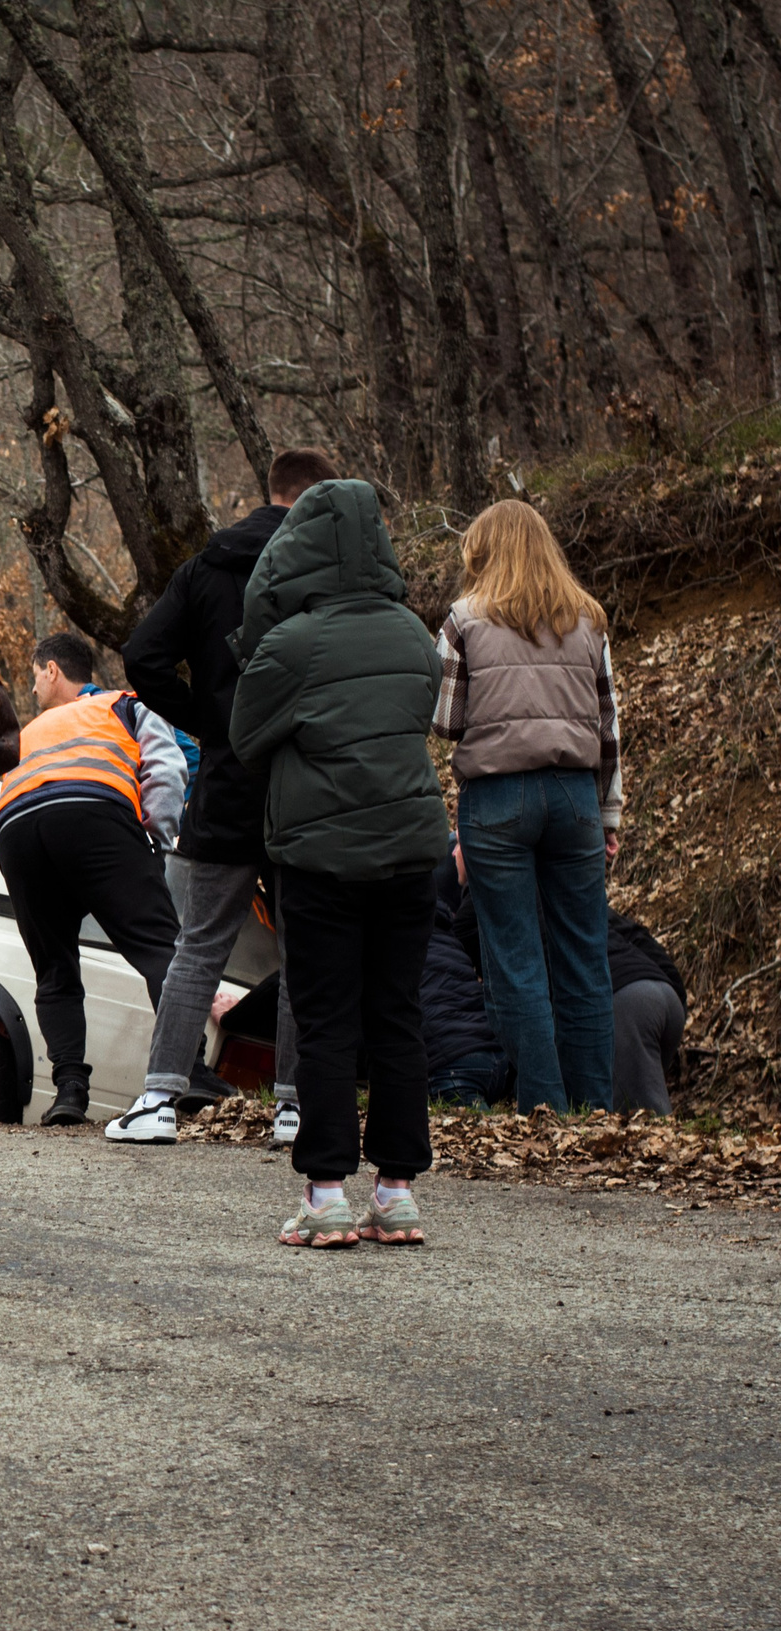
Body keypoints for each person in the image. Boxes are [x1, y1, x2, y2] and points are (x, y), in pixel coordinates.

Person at [231, 478, 448, 1249]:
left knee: (325, 1019)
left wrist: (261, 626)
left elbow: (246, 735)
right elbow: (415, 715)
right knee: (397, 1015)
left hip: (321, 855)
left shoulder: (293, 643)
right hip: (411, 849)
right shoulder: (414, 634)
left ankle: (325, 1194)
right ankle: (396, 1193)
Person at [121, 451, 337, 1147]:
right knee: (304, 950)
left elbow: (143, 655)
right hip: (304, 780)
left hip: (228, 777)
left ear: (269, 491)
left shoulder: (206, 567)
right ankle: (295, 1108)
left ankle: (159, 1100)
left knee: (199, 945)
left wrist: (209, 723)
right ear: (319, 497)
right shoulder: (328, 570)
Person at [433, 499, 620, 1114]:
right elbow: (607, 728)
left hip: (497, 799)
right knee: (585, 957)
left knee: (515, 961)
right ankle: (594, 1112)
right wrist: (609, 814)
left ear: (483, 553)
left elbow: (446, 720)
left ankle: (544, 1112)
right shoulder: (588, 619)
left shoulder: (463, 620)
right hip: (575, 797)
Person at [0, 632, 186, 1130]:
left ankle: (69, 1091)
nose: (33, 688)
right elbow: (166, 770)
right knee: (160, 946)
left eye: (34, 676)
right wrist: (156, 843)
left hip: (15, 832)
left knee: (54, 969)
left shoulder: (26, 732)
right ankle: (189, 1072)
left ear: (53, 670)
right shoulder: (126, 704)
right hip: (92, 815)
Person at [425, 849, 508, 1109]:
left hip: (454, 1067)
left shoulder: (385, 943)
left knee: (482, 1131)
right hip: (498, 1056)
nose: (452, 852)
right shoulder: (447, 932)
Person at [608, 909, 687, 1115]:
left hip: (625, 1008)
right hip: (666, 995)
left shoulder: (531, 915)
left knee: (644, 1127)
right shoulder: (581, 897)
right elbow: (639, 936)